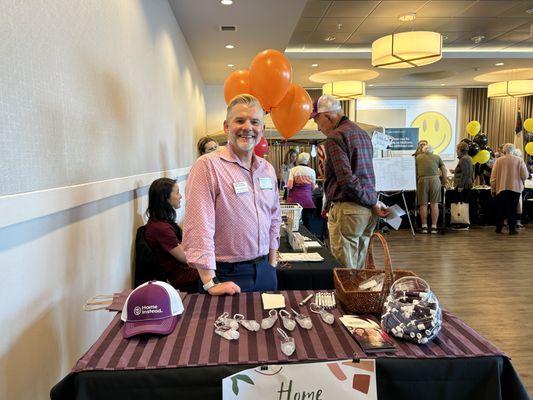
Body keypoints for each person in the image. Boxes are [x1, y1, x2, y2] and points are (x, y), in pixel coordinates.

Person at [183, 94, 281, 295]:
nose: (248, 127)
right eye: (239, 120)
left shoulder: (268, 170)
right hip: (225, 274)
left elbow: (274, 216)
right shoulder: (207, 166)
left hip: (265, 271)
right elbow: (199, 226)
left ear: (262, 129)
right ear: (226, 126)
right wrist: (210, 282)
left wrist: (271, 259)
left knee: (268, 326)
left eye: (255, 122)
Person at [312, 94, 388, 269]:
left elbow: (347, 180)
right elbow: (365, 174)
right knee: (359, 267)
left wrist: (369, 201)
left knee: (345, 268)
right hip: (367, 210)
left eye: (317, 121)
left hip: (348, 208)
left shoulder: (335, 137)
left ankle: (347, 297)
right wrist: (372, 202)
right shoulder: (362, 134)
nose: (318, 128)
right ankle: (358, 297)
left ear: (328, 116)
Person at [144, 178, 199, 292]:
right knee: (221, 268)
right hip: (182, 278)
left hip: (184, 272)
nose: (180, 196)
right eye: (177, 192)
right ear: (165, 198)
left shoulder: (161, 223)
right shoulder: (160, 229)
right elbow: (185, 258)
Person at [490, 143, 528, 234]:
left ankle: (498, 228)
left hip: (501, 188)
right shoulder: (519, 160)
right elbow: (525, 175)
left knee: (501, 209)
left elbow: (493, 177)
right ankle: (512, 229)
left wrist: (493, 189)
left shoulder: (498, 161)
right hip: (515, 188)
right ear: (513, 150)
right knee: (513, 209)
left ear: (504, 150)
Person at [415, 144, 447, 234]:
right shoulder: (437, 157)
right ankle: (434, 227)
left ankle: (424, 226)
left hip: (422, 180)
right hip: (435, 180)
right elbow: (444, 170)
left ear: (423, 151)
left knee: (423, 204)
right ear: (432, 151)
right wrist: (444, 181)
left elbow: (414, 171)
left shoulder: (418, 158)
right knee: (434, 204)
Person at [286, 152, 316, 229]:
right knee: (308, 223)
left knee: (293, 223)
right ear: (308, 161)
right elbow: (313, 187)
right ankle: (307, 238)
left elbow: (289, 186)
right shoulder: (312, 171)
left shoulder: (293, 170)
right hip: (307, 200)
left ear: (298, 160)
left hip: (294, 200)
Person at [452, 141, 474, 228]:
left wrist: (460, 186)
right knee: (463, 204)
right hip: (466, 184)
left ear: (460, 149)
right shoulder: (468, 158)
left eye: (457, 149)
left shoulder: (464, 159)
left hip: (463, 186)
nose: (456, 151)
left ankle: (462, 224)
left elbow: (465, 173)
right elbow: (465, 171)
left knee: (462, 204)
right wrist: (455, 171)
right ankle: (463, 223)